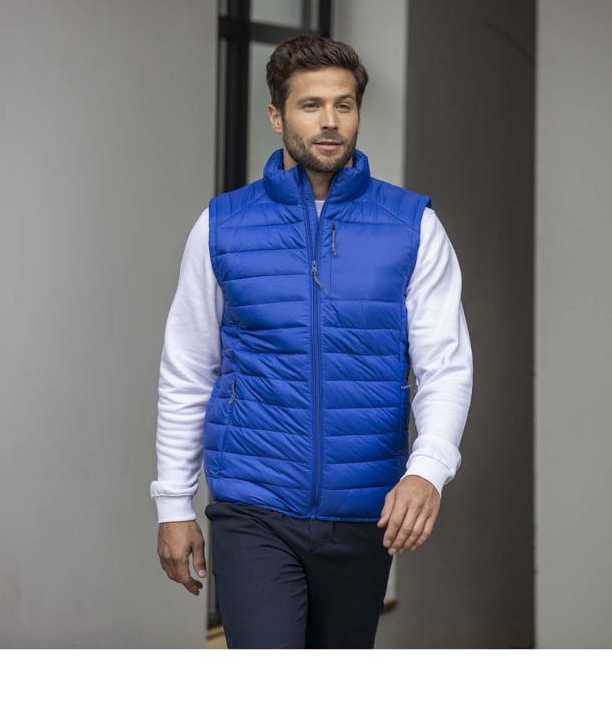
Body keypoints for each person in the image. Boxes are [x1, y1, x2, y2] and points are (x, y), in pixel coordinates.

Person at [150, 35, 472, 648]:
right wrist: (173, 502)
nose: (330, 121)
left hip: (365, 511)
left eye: (344, 105)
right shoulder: (222, 225)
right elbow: (188, 368)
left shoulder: (412, 227)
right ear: (277, 116)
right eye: (311, 105)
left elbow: (446, 366)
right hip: (253, 505)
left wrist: (428, 471)